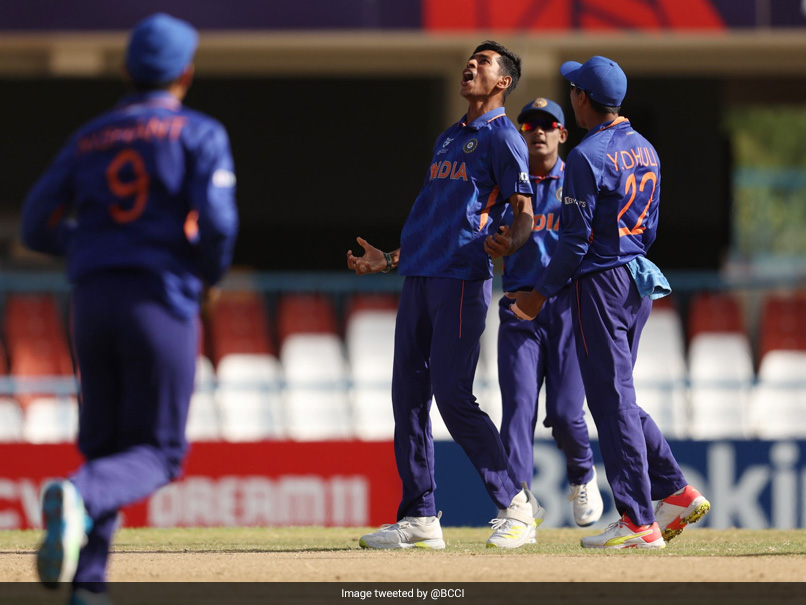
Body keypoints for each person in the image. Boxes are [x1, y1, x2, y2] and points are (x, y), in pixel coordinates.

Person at [22, 13, 238, 602]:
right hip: (160, 296)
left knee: (105, 446)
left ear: (125, 70)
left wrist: (88, 246)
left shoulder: (89, 136)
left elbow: (33, 225)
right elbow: (218, 223)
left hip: (91, 300)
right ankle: (77, 497)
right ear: (186, 74)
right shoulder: (200, 133)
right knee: (159, 453)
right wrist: (205, 274)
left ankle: (89, 584)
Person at [347, 41, 544, 550]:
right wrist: (388, 259)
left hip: (461, 278)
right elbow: (436, 219)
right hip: (418, 277)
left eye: (484, 62)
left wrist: (512, 241)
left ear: (502, 82)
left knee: (452, 395)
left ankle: (517, 504)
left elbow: (524, 209)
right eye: (470, 59)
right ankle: (420, 517)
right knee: (407, 398)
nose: (471, 65)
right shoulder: (448, 139)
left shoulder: (505, 139)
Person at [511, 56, 709, 549]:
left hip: (599, 282)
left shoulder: (585, 156)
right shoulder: (647, 149)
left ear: (582, 98)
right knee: (616, 394)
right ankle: (675, 492)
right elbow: (652, 227)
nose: (572, 95)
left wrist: (539, 294)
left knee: (611, 399)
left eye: (574, 89)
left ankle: (639, 521)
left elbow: (574, 242)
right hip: (636, 278)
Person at [497, 97, 603, 535]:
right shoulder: (506, 186)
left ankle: (581, 474)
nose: (537, 130)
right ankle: (517, 506)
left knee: (564, 412)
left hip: (566, 306)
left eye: (548, 124)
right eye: (529, 124)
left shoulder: (577, 179)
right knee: (519, 408)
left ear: (563, 133)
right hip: (520, 309)